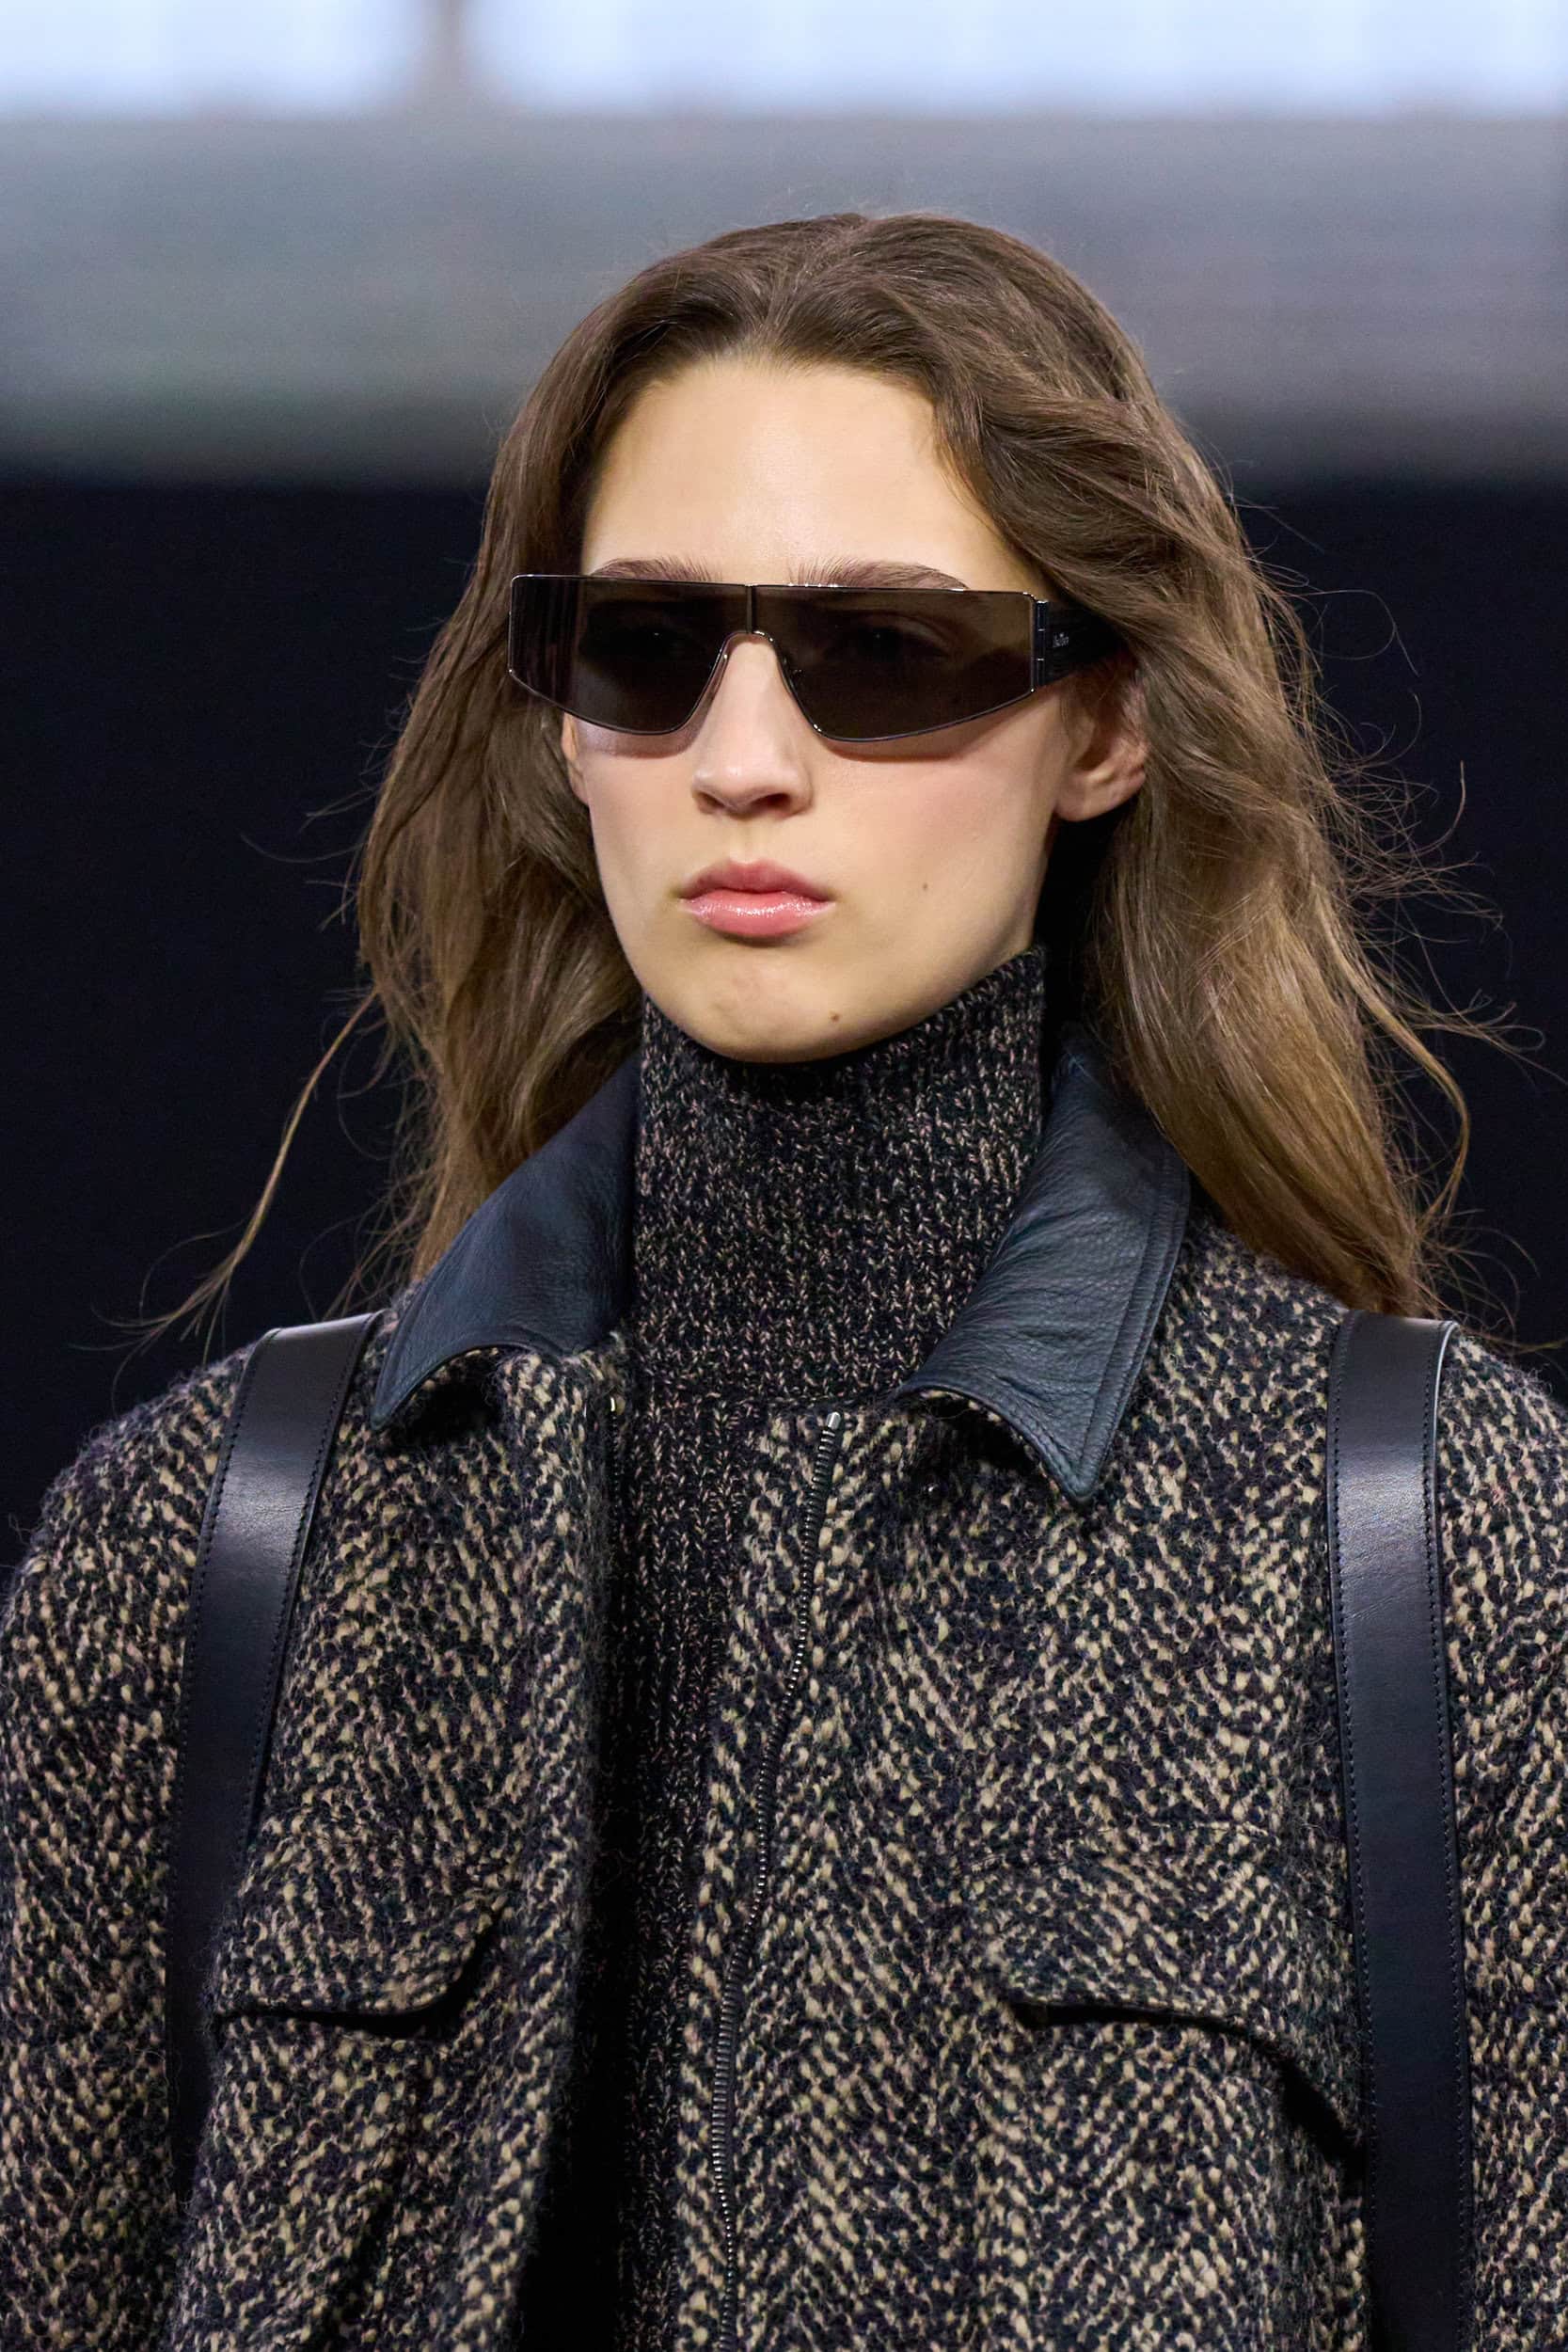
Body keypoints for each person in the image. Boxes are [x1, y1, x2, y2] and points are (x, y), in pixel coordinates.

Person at [3, 208, 1565, 2351]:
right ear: (560, 723)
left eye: (886, 651)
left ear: (1104, 725)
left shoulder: (1424, 1544)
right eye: (647, 645)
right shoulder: (198, 1558)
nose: (743, 757)